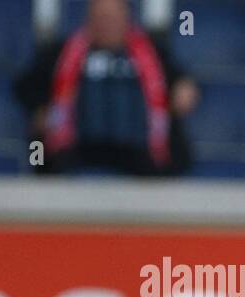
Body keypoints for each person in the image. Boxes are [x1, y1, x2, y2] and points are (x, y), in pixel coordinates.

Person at [13, 0, 197, 176]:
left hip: (141, 154)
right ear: (89, 19)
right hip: (76, 150)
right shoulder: (61, 52)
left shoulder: (154, 53)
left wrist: (184, 89)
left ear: (127, 17)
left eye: (112, 17)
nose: (106, 24)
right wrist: (39, 109)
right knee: (39, 148)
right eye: (100, 17)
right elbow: (25, 86)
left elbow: (182, 82)